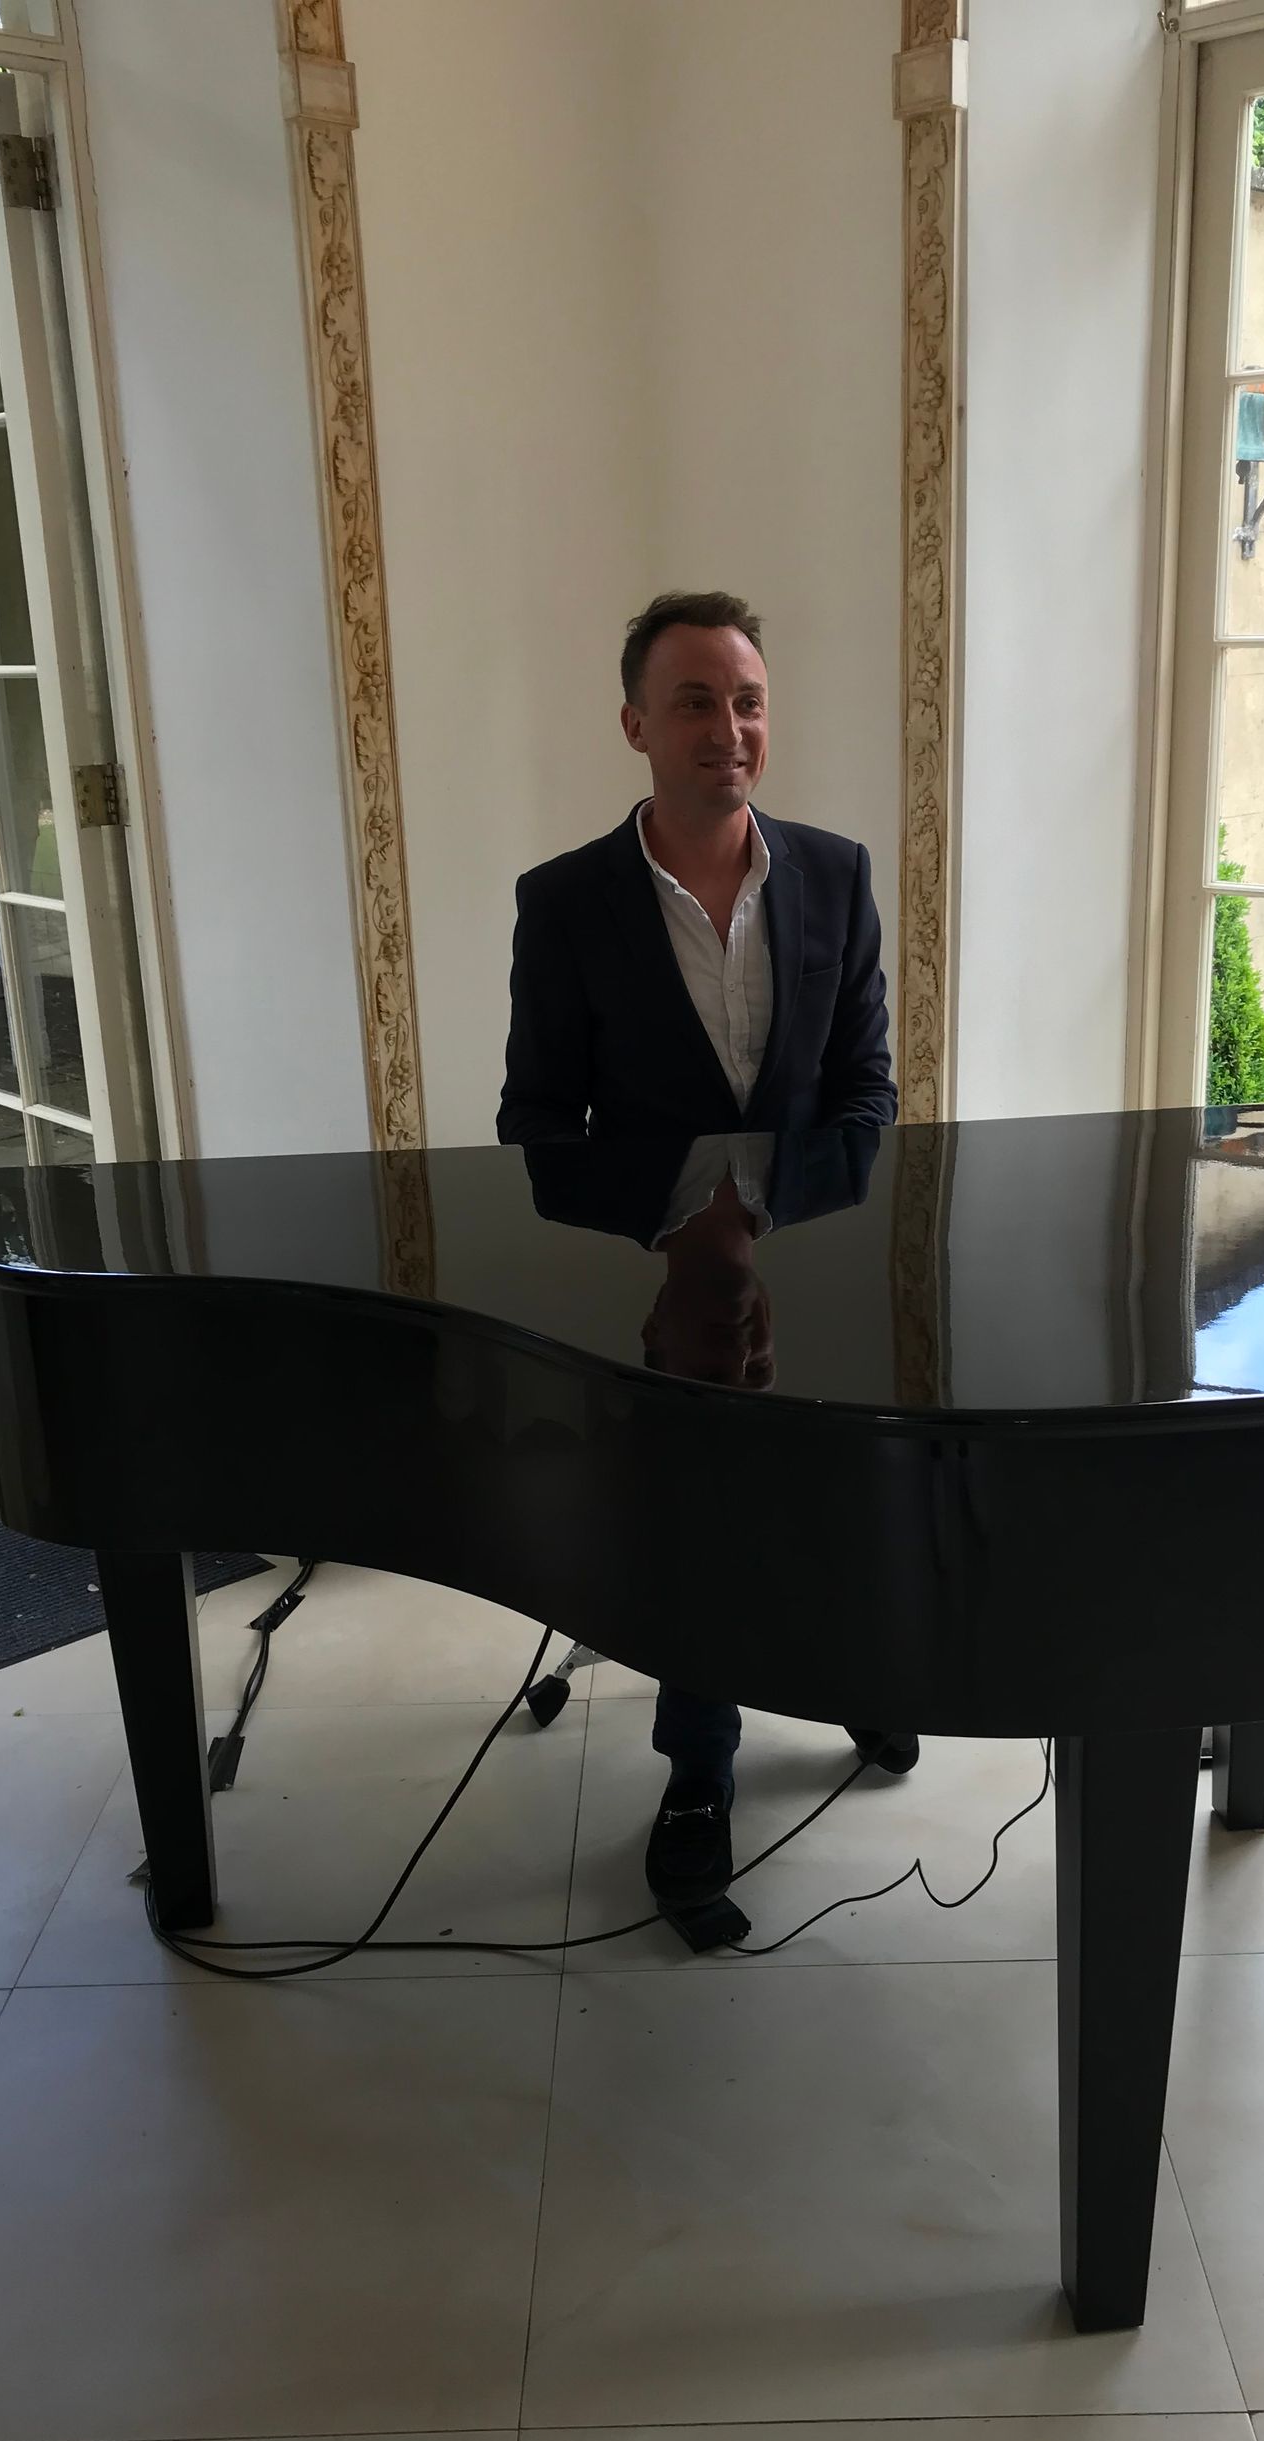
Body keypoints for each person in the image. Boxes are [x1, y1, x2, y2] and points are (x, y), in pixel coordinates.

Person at [499, 589, 913, 1915]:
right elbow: (535, 1124)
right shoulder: (566, 905)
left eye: (746, 701)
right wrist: (683, 1220)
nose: (726, 728)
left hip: (812, 1250)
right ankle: (698, 1770)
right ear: (635, 724)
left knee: (822, 1500)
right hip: (658, 1277)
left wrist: (769, 1208)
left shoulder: (837, 876)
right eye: (694, 702)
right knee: (695, 1523)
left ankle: (843, 1676)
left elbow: (866, 1095)